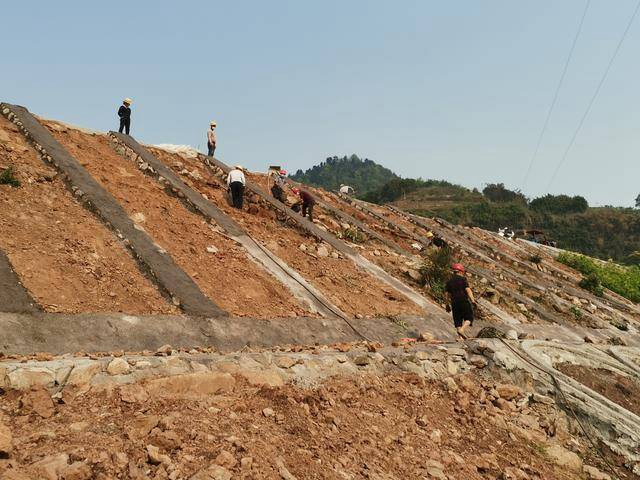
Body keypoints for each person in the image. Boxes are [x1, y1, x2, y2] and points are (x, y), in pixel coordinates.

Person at [445, 263, 476, 339]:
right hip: (463, 300)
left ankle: (460, 338)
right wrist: (473, 301)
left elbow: (446, 295)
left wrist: (447, 305)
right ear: (461, 271)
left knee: (457, 320)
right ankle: (462, 330)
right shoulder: (463, 279)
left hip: (454, 302)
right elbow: (468, 290)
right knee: (469, 318)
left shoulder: (449, 281)